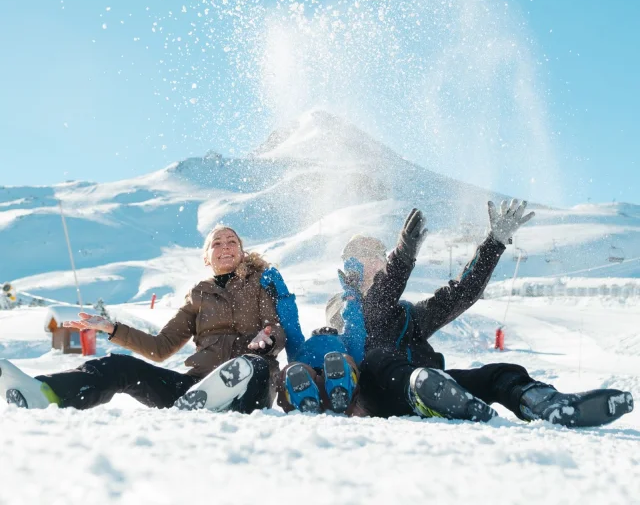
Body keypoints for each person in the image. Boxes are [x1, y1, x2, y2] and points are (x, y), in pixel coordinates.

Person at [330, 202, 634, 427]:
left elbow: (460, 294)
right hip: (379, 395)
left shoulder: (408, 316)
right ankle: (425, 388)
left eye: (376, 257)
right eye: (361, 258)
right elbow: (373, 308)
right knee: (379, 359)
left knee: (499, 373)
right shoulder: (341, 308)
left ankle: (546, 404)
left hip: (437, 390)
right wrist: (404, 256)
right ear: (350, 268)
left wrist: (494, 243)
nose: (371, 264)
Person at [0, 226, 285, 413]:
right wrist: (112, 328)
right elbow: (160, 348)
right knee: (118, 365)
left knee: (252, 365)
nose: (225, 246)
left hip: (250, 385)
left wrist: (268, 338)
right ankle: (46, 394)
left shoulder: (262, 284)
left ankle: (219, 399)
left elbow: (278, 328)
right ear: (206, 258)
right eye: (217, 243)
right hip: (196, 389)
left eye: (232, 241)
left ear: (241, 251)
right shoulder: (198, 297)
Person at [259, 266, 364, 415]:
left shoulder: (344, 342)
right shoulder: (304, 346)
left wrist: (351, 296)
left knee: (341, 361)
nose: (325, 329)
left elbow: (355, 328)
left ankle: (329, 387)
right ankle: (311, 391)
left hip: (339, 386)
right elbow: (291, 326)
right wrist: (281, 296)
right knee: (295, 369)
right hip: (309, 379)